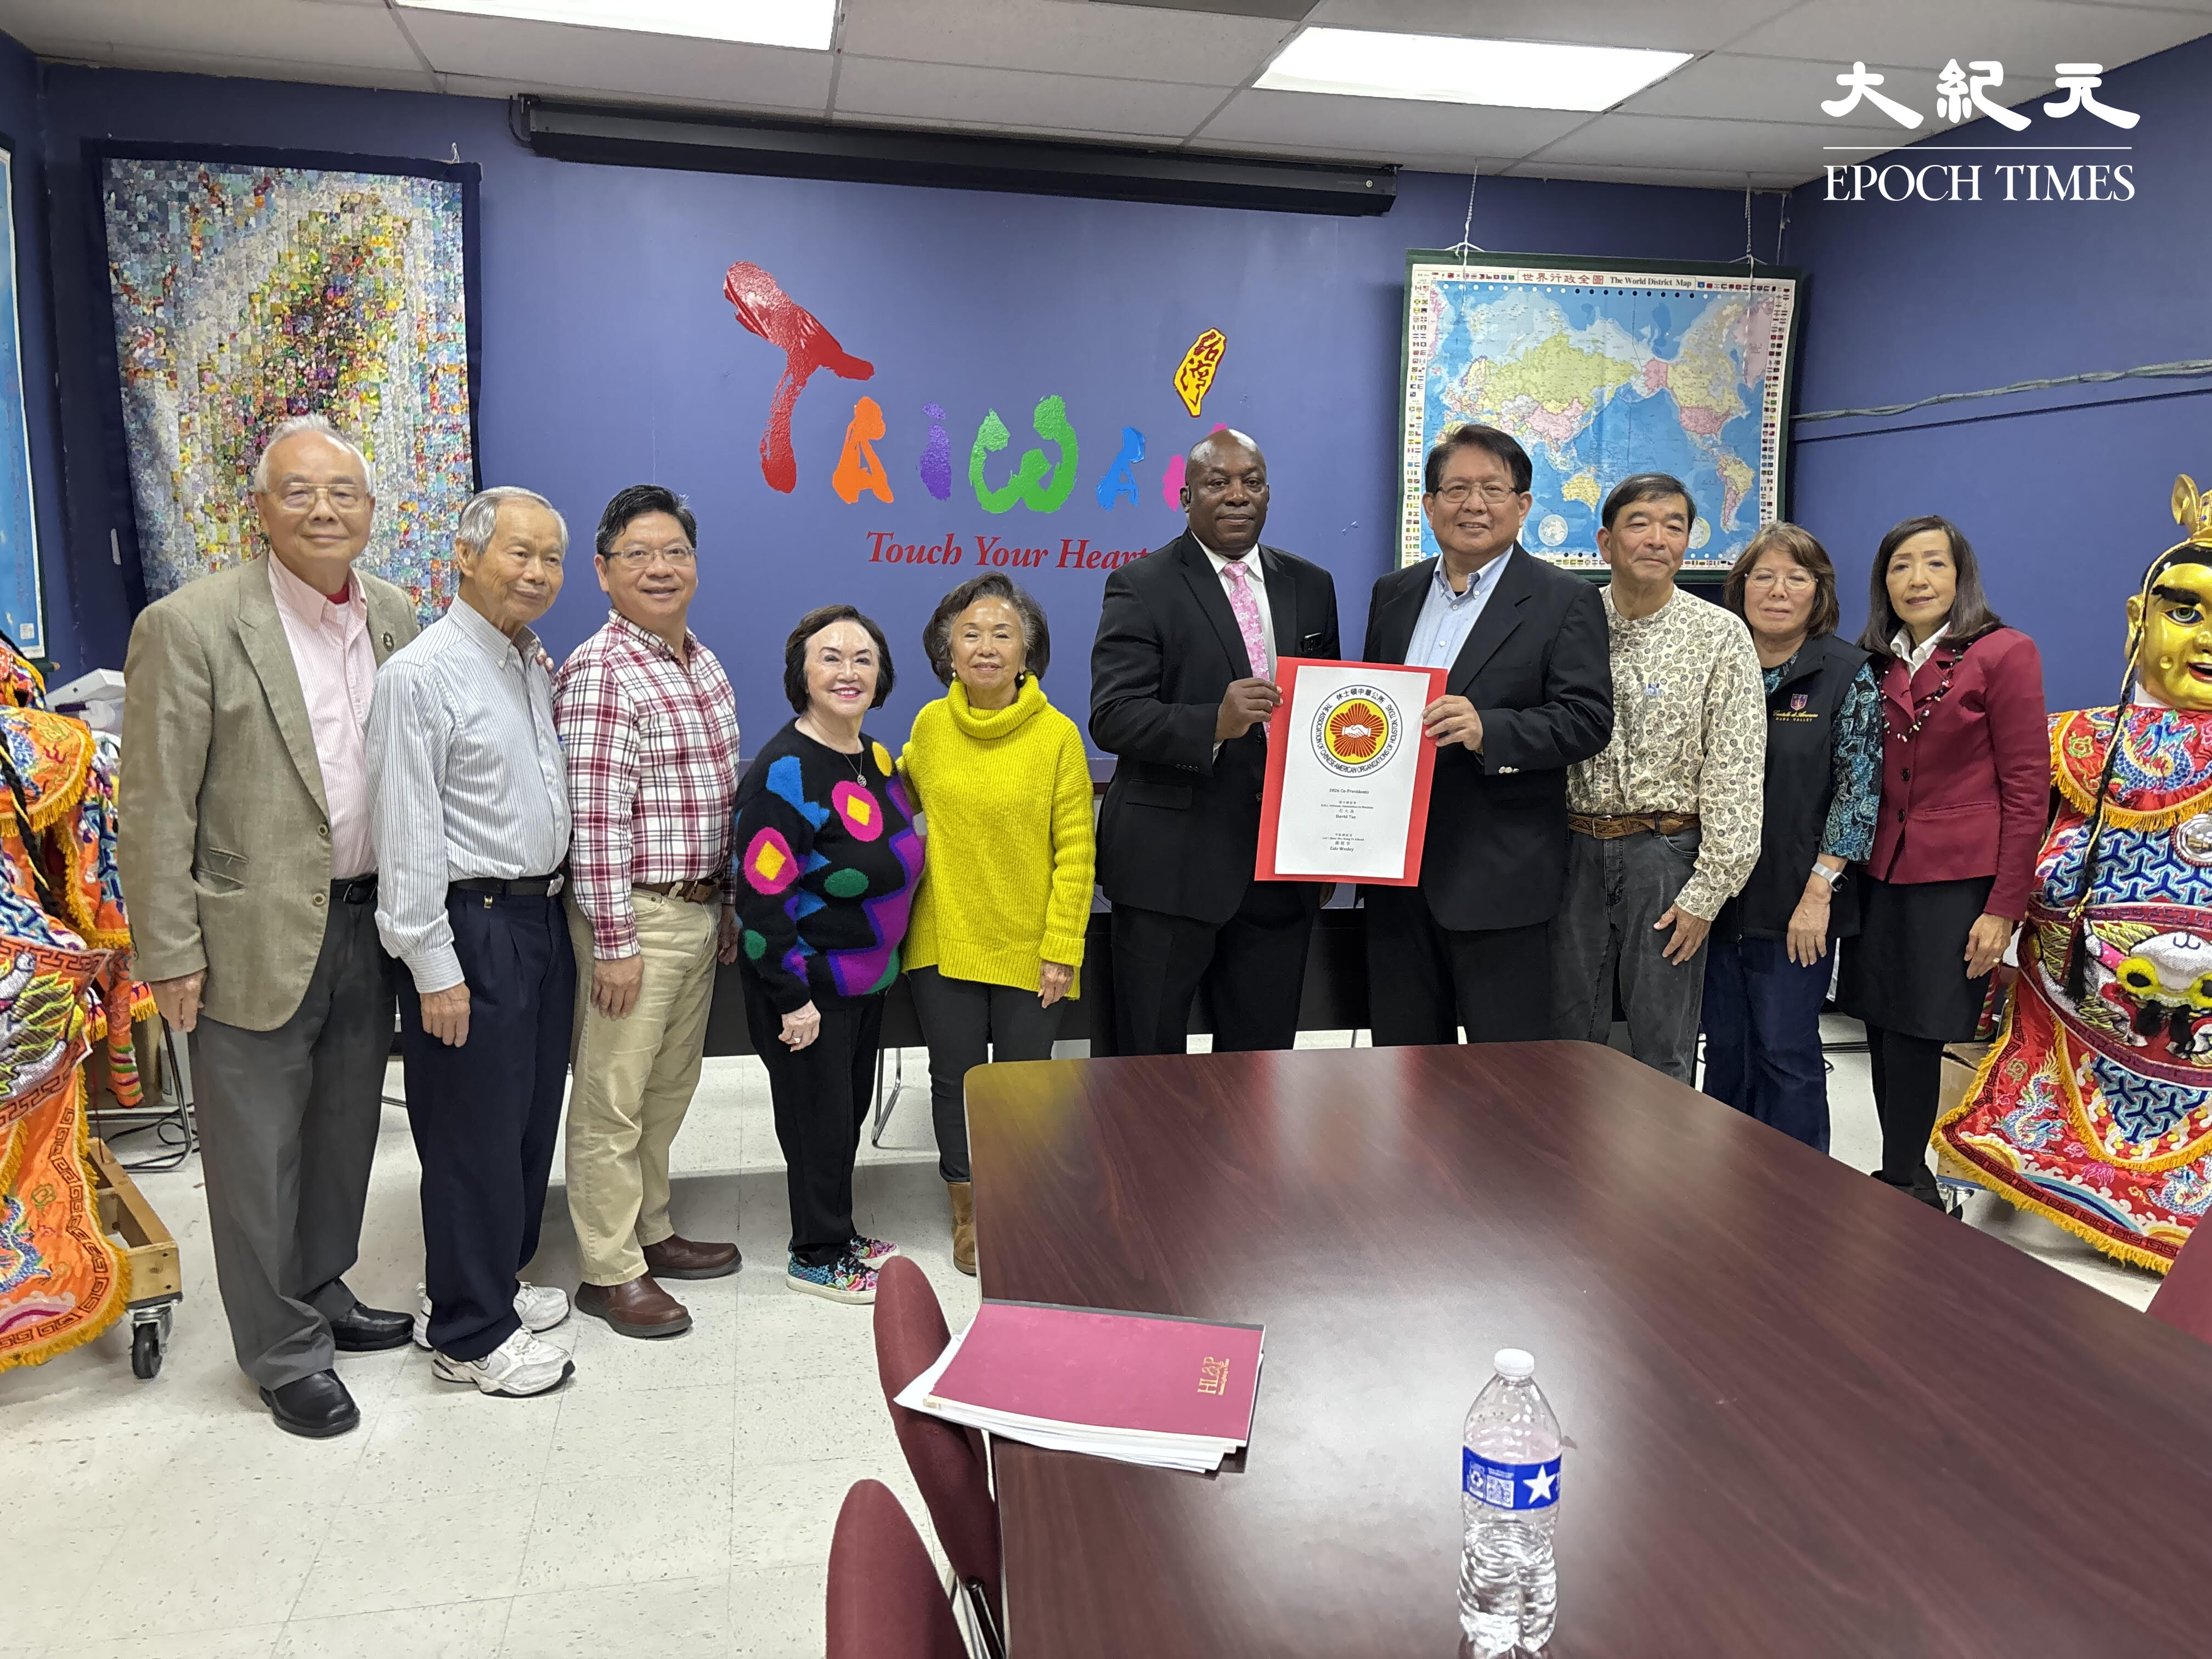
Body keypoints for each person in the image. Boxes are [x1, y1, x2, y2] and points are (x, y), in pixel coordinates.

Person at [117, 414, 419, 1438]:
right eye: (298, 491)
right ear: (260, 508)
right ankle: (281, 1348)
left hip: (366, 921)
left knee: (342, 1132)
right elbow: (154, 807)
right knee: (255, 1155)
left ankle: (321, 1287)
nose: (323, 510)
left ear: (370, 510)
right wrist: (170, 953)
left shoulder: (394, 612)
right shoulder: (191, 624)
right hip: (246, 935)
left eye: (343, 492)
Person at [1940, 478, 2212, 1266]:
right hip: (2071, 1017)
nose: (2207, 640)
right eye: (2186, 611)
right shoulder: (2070, 745)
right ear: (2137, 621)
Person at [368, 486, 578, 1395]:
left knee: (524, 1124)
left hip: (537, 917)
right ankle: (467, 1331)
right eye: (518, 552)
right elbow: (406, 829)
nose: (536, 572)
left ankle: (487, 1282)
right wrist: (432, 966)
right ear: (464, 555)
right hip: (469, 925)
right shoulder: (421, 674)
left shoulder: (527, 661)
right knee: (469, 1136)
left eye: (550, 558)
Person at [552, 485, 743, 1340]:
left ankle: (650, 1229)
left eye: (675, 552)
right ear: (603, 571)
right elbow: (594, 821)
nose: (660, 568)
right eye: (638, 554)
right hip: (633, 919)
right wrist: (616, 944)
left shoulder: (704, 663)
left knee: (668, 1088)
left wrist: (725, 903)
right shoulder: (600, 671)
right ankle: (609, 1270)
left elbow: (721, 800)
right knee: (613, 1100)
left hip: (696, 911)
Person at [1089, 429, 1339, 1055]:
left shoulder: (1311, 585)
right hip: (1169, 869)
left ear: (1268, 493)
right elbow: (1114, 716)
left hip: (1279, 873)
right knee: (1148, 1067)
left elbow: (1325, 727)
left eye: (1251, 482)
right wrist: (1213, 724)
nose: (1237, 495)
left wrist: (1326, 843)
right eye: (1217, 482)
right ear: (1186, 497)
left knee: (1261, 1068)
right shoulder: (1140, 584)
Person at [1361, 424, 1611, 1045]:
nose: (1473, 505)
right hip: (1395, 876)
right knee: (1402, 1064)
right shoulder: (1394, 593)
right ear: (1429, 505)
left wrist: (1487, 730)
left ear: (1522, 506)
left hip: (1501, 877)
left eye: (1492, 490)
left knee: (1507, 1077)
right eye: (1456, 490)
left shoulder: (1564, 600)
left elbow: (1587, 719)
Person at [1839, 515, 2045, 1208]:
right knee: (1879, 1023)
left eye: (1933, 563)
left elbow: (2027, 791)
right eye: (1900, 565)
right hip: (1878, 872)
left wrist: (2004, 907)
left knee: (1919, 1030)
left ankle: (1906, 1184)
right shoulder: (1874, 661)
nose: (1917, 579)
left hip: (1956, 878)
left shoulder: (2004, 653)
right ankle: (1904, 1176)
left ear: (1961, 576)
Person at [902, 574, 1094, 1274]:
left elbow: (1077, 852)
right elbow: (895, 807)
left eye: (1002, 634)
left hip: (1032, 946)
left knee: (1021, 1084)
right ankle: (971, 1212)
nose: (986, 647)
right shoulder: (928, 728)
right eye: (971, 634)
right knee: (955, 1079)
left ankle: (1018, 1202)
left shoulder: (1057, 736)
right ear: (948, 653)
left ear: (1026, 653)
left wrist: (1062, 947)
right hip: (944, 936)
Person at [733, 606, 923, 1304]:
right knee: (816, 1124)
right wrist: (793, 1000)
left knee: (842, 1119)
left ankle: (838, 1232)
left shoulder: (875, 757)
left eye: (863, 659)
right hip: (809, 988)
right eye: (831, 658)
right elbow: (761, 901)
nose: (849, 671)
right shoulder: (783, 772)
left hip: (865, 983)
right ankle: (814, 1254)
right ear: (802, 675)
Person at [1552, 474, 1765, 1084]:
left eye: (1675, 526)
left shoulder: (1719, 634)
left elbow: (1736, 766)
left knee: (1664, 1048)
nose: (1658, 539)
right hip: (1570, 852)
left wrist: (1709, 891)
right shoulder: (1569, 621)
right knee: (1564, 1040)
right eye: (1640, 523)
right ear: (1605, 542)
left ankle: (1665, 1153)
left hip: (1668, 856)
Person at [1699, 524, 1880, 1150]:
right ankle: (1722, 1183)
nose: (1778, 591)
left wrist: (1820, 891)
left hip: (1798, 900)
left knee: (1785, 1050)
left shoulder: (1846, 674)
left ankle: (1800, 1193)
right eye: (1764, 576)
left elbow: (1859, 792)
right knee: (1725, 1049)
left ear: (1818, 592)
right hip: (1714, 900)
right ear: (1741, 587)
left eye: (1796, 578)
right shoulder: (1717, 663)